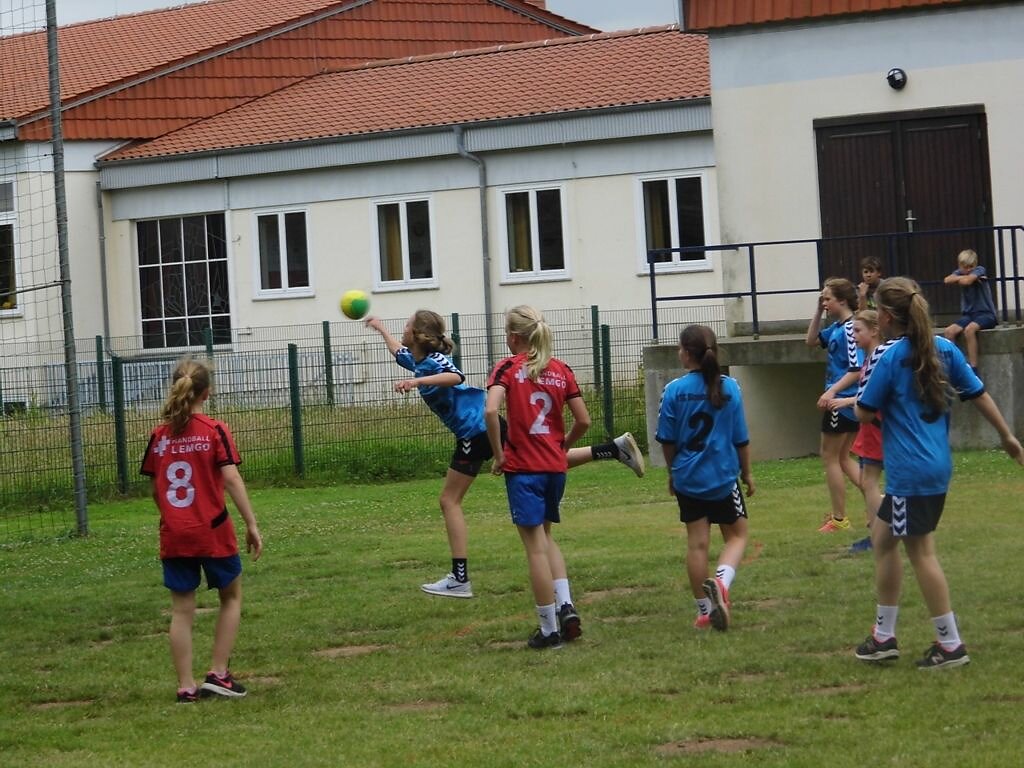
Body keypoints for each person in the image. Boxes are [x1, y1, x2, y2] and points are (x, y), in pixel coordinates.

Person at [365, 311, 644, 599]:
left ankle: (459, 578)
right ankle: (611, 449)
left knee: (449, 500)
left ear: (420, 334)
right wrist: (380, 328)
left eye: (407, 325)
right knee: (539, 460)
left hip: (476, 431)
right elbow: (399, 352)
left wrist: (416, 383)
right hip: (484, 429)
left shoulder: (433, 362)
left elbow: (455, 375)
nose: (404, 329)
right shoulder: (418, 360)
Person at [853, 277, 1022, 669]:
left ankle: (949, 644)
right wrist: (1007, 436)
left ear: (889, 316)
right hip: (934, 466)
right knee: (882, 537)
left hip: (909, 473)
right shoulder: (944, 347)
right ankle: (883, 636)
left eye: (877, 309)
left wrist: (864, 400)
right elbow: (978, 393)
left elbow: (864, 410)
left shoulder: (891, 357)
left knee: (920, 551)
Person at [140, 358, 263, 703]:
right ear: (206, 393)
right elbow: (231, 478)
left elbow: (154, 488)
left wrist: (171, 517)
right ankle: (218, 674)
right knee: (231, 597)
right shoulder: (214, 430)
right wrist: (252, 524)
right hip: (213, 530)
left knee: (181, 611)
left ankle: (185, 687)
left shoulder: (159, 435)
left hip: (175, 534)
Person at [485, 305, 591, 650]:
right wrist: (561, 447)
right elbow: (584, 421)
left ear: (514, 337)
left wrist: (500, 455)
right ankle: (566, 605)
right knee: (546, 538)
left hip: (524, 471)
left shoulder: (507, 367)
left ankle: (548, 630)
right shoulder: (561, 369)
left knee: (533, 549)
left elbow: (490, 409)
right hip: (553, 470)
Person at [655, 325, 754, 631]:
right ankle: (722, 583)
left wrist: (673, 473)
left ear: (686, 353)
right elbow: (741, 438)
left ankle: (704, 611)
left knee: (697, 544)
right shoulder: (730, 388)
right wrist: (747, 473)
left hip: (688, 477)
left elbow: (666, 440)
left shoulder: (673, 390)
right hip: (722, 477)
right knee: (737, 536)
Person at [805, 277, 863, 533]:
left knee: (829, 457)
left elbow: (857, 369)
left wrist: (831, 393)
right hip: (844, 401)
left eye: (827, 298)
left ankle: (839, 519)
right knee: (842, 457)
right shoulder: (839, 327)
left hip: (842, 402)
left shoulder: (851, 329)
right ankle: (881, 502)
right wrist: (817, 310)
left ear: (842, 300)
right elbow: (811, 340)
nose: (824, 302)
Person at [830, 309, 887, 554]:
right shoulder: (871, 357)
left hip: (876, 428)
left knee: (870, 483)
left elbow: (873, 396)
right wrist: (847, 401)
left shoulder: (878, 359)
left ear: (874, 331)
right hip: (870, 427)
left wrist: (847, 401)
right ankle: (879, 527)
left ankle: (878, 534)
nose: (852, 335)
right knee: (868, 481)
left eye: (857, 330)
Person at [942, 248, 998, 373]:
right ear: (959, 266)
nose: (968, 270)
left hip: (986, 314)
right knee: (949, 332)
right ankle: (955, 365)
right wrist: (959, 278)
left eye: (971, 267)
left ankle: (973, 368)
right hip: (969, 315)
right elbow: (947, 280)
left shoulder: (980, 270)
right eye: (965, 267)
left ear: (975, 264)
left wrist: (960, 278)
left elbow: (967, 281)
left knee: (969, 330)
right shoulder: (959, 273)